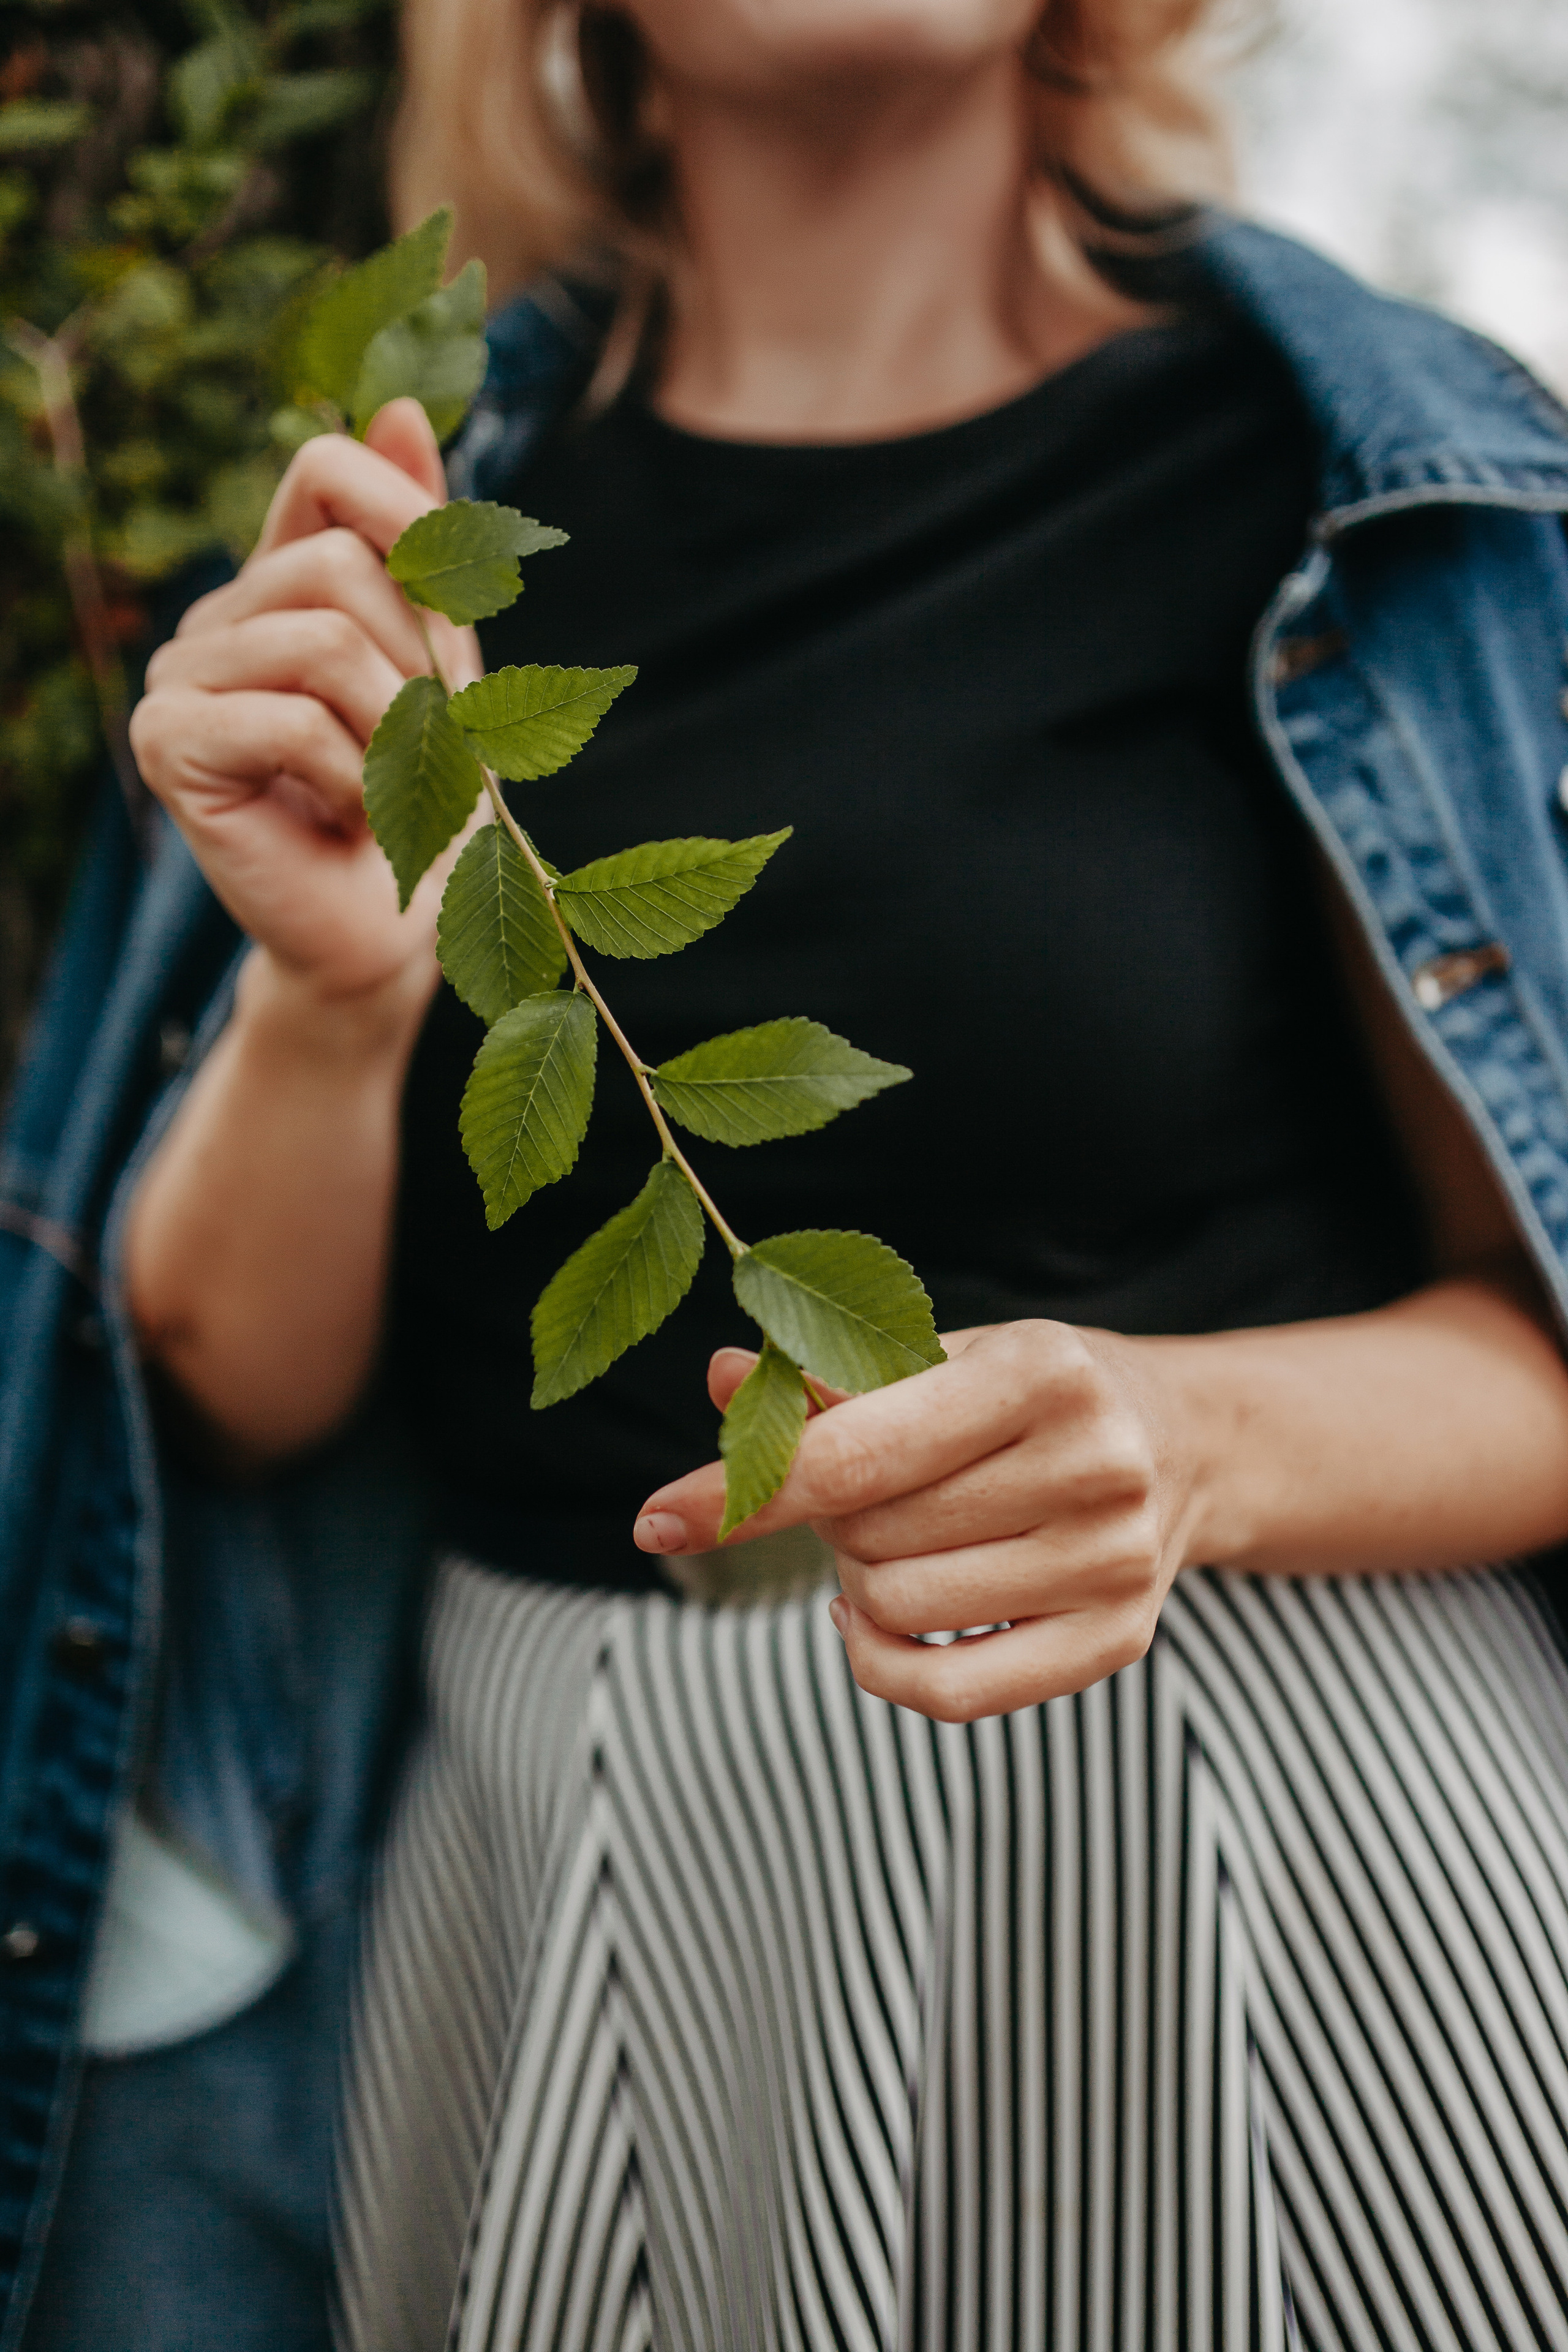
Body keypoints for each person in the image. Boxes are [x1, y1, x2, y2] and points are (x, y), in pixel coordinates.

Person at [13, 0, 1568, 2342]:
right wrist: (336, 1004)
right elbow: (230, 1394)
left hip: (1260, 1841)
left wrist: (1192, 1438)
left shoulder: (1376, 479)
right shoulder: (390, 543)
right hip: (573, 1880)